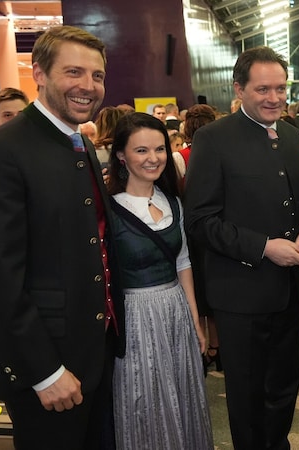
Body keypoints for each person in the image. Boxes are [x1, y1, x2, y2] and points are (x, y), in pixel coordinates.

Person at [0, 26, 123, 449]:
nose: (88, 86)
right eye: (74, 72)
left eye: (97, 75)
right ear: (40, 75)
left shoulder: (76, 144)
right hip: (46, 372)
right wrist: (45, 372)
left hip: (91, 358)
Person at [184, 46, 299, 450]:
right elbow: (200, 221)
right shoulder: (212, 139)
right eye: (263, 89)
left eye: (281, 88)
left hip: (290, 291)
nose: (274, 98)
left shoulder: (294, 137)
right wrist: (264, 247)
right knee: (246, 396)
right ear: (239, 89)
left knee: (284, 387)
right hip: (239, 293)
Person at [107, 112, 213, 449]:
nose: (153, 159)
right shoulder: (108, 210)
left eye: (160, 149)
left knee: (182, 393)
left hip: (176, 311)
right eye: (141, 151)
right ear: (121, 155)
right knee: (143, 398)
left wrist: (196, 319)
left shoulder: (175, 204)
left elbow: (183, 262)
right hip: (135, 316)